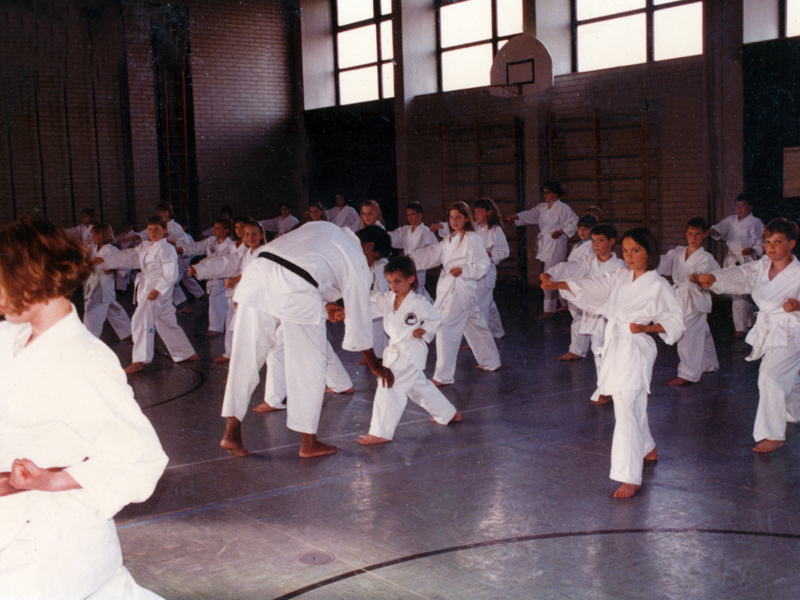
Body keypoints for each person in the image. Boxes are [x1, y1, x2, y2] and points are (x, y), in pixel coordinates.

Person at [0, 217, 168, 600]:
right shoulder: (12, 337)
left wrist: (50, 480)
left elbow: (141, 459)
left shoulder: (83, 359)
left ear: (31, 277)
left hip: (52, 541)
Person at [219, 222, 393, 458]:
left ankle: (231, 432)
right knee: (309, 364)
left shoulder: (325, 228)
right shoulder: (357, 257)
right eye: (375, 258)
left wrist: (324, 305)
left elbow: (303, 265)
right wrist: (375, 366)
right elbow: (359, 321)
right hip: (295, 288)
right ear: (370, 246)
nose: (371, 263)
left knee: (245, 356)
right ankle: (309, 443)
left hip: (256, 274)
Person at [542, 227, 684, 498]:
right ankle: (647, 447)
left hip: (636, 347)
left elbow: (676, 320)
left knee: (626, 407)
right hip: (616, 344)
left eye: (636, 250)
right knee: (629, 402)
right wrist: (560, 284)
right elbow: (593, 286)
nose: (629, 256)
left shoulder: (658, 285)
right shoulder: (620, 276)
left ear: (649, 253)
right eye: (626, 250)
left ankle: (629, 475)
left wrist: (648, 328)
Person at [699, 217, 800, 453]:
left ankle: (773, 435)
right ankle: (794, 412)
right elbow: (741, 274)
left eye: (778, 241)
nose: (771, 247)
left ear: (792, 243)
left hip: (792, 331)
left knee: (770, 377)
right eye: (768, 242)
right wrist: (716, 279)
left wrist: (797, 305)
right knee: (789, 376)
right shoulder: (762, 266)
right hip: (770, 328)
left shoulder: (798, 273)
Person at [359, 256, 462, 445]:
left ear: (411, 279)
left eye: (398, 281)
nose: (393, 286)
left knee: (389, 386)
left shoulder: (419, 302)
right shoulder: (386, 299)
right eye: (390, 282)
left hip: (411, 351)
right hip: (395, 352)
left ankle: (381, 432)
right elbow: (367, 308)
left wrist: (424, 330)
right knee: (418, 388)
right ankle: (448, 413)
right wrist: (347, 312)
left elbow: (436, 319)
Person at [410, 202, 501, 386]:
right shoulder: (449, 239)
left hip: (460, 288)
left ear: (466, 218)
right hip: (452, 288)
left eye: (458, 217)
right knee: (476, 325)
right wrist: (409, 261)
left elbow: (483, 264)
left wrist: (464, 270)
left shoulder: (473, 238)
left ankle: (443, 376)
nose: (454, 221)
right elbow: (432, 254)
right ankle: (492, 362)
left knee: (445, 328)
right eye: (451, 217)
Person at [96, 215, 198, 374]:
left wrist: (157, 290)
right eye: (150, 229)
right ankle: (186, 353)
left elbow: (171, 274)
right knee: (166, 322)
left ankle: (139, 361)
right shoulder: (146, 246)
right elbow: (129, 255)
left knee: (140, 320)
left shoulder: (167, 248)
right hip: (148, 287)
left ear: (164, 230)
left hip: (158, 290)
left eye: (156, 229)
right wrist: (105, 262)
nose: (152, 232)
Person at [544, 224, 625, 403]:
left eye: (601, 240)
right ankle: (605, 388)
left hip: (611, 314)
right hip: (593, 311)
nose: (596, 245)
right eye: (594, 241)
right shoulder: (589, 260)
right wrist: (551, 274)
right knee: (598, 350)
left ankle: (610, 389)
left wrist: (561, 285)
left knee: (609, 351)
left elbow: (602, 288)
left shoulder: (619, 266)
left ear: (612, 241)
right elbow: (570, 266)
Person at [657, 217, 720, 386]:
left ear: (705, 235)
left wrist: (699, 279)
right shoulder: (677, 252)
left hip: (695, 298)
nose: (693, 238)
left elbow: (717, 278)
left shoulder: (706, 257)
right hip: (679, 296)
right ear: (685, 234)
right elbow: (664, 263)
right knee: (701, 331)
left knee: (688, 334)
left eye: (697, 234)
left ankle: (688, 373)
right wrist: (650, 264)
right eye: (690, 233)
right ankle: (709, 364)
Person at [189, 218, 261, 362]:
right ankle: (230, 353)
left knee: (246, 327)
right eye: (245, 233)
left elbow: (255, 273)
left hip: (251, 294)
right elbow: (223, 259)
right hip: (237, 291)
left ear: (261, 235)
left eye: (253, 234)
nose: (248, 237)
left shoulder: (261, 252)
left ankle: (245, 357)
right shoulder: (241, 249)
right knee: (231, 323)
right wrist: (200, 267)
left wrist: (236, 279)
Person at [505, 181, 578, 320]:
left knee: (548, 274)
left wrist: (561, 231)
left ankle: (549, 309)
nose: (545, 195)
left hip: (556, 243)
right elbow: (531, 214)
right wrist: (516, 217)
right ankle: (565, 304)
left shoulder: (563, 208)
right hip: (546, 243)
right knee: (558, 274)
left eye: (548, 192)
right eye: (544, 193)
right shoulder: (542, 207)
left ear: (555, 194)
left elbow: (575, 221)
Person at [709, 194, 764, 337]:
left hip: (747, 260)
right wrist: (714, 230)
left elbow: (761, 241)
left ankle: (741, 328)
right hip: (733, 258)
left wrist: (753, 249)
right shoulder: (732, 219)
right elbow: (722, 227)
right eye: (737, 206)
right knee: (739, 293)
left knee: (742, 293)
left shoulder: (756, 222)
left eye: (743, 206)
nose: (739, 209)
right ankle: (749, 323)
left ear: (750, 207)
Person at [178, 217, 235, 335]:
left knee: (216, 300)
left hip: (223, 275)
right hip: (212, 275)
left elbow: (218, 259)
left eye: (218, 228)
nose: (215, 230)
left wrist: (200, 265)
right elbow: (198, 246)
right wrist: (182, 249)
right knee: (218, 301)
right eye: (215, 228)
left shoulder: (230, 245)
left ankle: (216, 328)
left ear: (226, 230)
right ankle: (220, 327)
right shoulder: (212, 241)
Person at [84, 223, 133, 342]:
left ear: (103, 235)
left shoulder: (112, 250)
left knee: (94, 309)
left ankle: (91, 336)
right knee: (112, 307)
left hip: (104, 283)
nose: (93, 237)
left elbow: (124, 265)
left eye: (96, 234)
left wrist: (111, 267)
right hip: (93, 281)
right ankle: (127, 331)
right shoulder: (93, 248)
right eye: (93, 234)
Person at [388, 202, 438, 301]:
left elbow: (435, 248)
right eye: (408, 214)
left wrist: (421, 256)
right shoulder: (406, 230)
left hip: (418, 265)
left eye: (413, 214)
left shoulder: (425, 230)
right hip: (406, 265)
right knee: (409, 291)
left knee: (417, 290)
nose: (410, 217)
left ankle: (426, 307)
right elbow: (395, 237)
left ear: (420, 215)